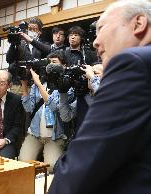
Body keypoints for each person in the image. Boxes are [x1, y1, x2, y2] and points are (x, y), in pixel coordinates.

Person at [48, 0, 151, 194]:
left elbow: (81, 166)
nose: (95, 42)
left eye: (101, 28)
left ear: (138, 24)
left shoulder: (132, 63)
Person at [19, 51, 73, 173]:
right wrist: (24, 85)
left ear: (64, 66)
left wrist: (38, 84)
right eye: (48, 63)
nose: (50, 65)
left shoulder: (67, 87)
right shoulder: (39, 84)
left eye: (54, 62)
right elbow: (28, 108)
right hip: (35, 132)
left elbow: (54, 107)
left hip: (55, 136)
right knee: (23, 162)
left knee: (52, 166)